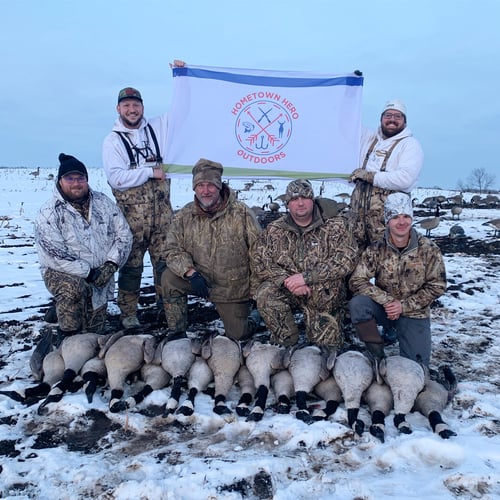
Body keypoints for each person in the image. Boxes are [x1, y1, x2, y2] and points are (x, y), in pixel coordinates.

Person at [102, 61, 185, 329]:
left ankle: (167, 308)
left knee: (166, 265)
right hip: (131, 222)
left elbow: (182, 110)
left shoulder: (158, 128)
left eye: (135, 104)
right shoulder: (113, 141)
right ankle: (128, 314)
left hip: (163, 218)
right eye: (126, 105)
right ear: (118, 109)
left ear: (142, 107)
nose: (132, 109)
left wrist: (182, 77)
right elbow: (116, 177)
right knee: (131, 270)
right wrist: (150, 172)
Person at [34, 153, 133, 346]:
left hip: (101, 273)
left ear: (87, 180)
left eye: (80, 178)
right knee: (73, 291)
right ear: (60, 181)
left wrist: (111, 264)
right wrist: (88, 273)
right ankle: (66, 335)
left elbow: (124, 235)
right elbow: (55, 256)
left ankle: (64, 309)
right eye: (70, 178)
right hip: (62, 273)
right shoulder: (49, 213)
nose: (76, 183)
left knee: (94, 332)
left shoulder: (103, 203)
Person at [161, 158, 262, 341]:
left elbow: (260, 253)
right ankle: (177, 332)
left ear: (219, 186)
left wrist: (254, 289)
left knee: (239, 335)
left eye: (210, 185)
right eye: (200, 185)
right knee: (169, 278)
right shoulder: (185, 215)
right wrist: (190, 273)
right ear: (194, 188)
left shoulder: (242, 213)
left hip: (233, 288)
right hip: (200, 279)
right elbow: (171, 249)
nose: (205, 191)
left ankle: (256, 315)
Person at [250, 179, 358, 348]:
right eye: (294, 199)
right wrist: (287, 280)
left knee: (325, 351)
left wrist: (306, 278)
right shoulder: (275, 230)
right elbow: (260, 259)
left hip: (324, 293)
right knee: (266, 293)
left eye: (304, 198)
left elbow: (347, 259)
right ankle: (285, 339)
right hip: (289, 288)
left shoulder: (335, 225)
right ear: (287, 204)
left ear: (312, 200)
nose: (300, 203)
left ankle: (323, 336)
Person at [348, 192, 446, 367]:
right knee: (358, 304)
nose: (401, 222)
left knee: (416, 368)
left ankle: (408, 342)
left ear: (412, 218)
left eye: (406, 216)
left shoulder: (429, 249)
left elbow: (437, 286)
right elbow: (357, 280)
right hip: (384, 309)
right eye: (395, 217)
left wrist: (403, 306)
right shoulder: (376, 248)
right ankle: (377, 355)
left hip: (414, 313)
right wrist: (387, 301)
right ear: (387, 220)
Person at [348, 99, 424, 249]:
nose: (392, 119)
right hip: (357, 217)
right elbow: (347, 123)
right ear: (381, 118)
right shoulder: (368, 138)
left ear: (404, 121)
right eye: (388, 115)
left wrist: (369, 176)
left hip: (388, 221)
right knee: (357, 260)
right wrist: (349, 90)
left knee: (388, 261)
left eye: (398, 116)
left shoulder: (410, 145)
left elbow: (405, 179)